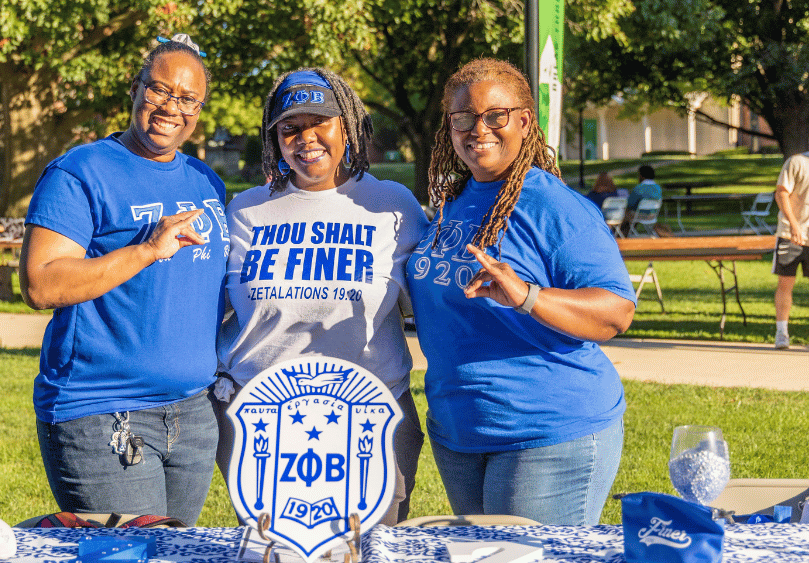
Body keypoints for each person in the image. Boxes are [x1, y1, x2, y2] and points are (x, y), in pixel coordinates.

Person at [406, 58, 637, 526]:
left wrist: (528, 296)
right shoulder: (456, 201)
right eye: (464, 119)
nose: (479, 130)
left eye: (495, 116)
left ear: (525, 121)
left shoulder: (554, 206)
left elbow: (616, 312)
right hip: (460, 434)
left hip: (546, 432)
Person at [19, 33, 226, 526]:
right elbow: (41, 284)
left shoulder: (205, 181)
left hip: (194, 414)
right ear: (135, 89)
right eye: (159, 90)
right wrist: (145, 251)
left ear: (200, 108)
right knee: (128, 558)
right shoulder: (80, 172)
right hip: (103, 414)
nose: (170, 107)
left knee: (175, 558)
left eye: (187, 98)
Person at [215, 68, 429, 525]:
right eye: (290, 128)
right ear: (274, 140)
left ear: (347, 127)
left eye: (320, 123)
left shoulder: (392, 205)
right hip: (260, 425)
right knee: (274, 555)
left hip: (370, 421)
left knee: (366, 553)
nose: (305, 138)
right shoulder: (245, 210)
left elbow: (433, 297)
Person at [772, 151, 809, 349]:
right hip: (790, 234)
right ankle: (781, 333)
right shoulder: (797, 162)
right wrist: (794, 225)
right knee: (785, 284)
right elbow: (781, 193)